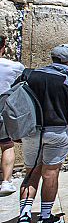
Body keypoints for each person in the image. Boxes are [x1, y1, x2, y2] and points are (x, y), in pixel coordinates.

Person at [12, 44, 68, 223]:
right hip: (57, 132)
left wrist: (18, 130)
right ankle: (45, 217)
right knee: (50, 173)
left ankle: (24, 216)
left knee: (31, 173)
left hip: (32, 132)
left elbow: (15, 103)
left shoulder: (29, 76)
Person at [0, 36, 24, 196]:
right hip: (2, 109)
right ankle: (6, 182)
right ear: (3, 46)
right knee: (7, 145)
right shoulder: (14, 67)